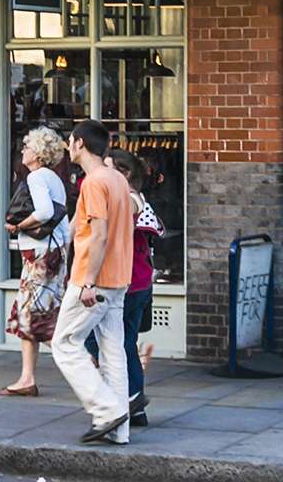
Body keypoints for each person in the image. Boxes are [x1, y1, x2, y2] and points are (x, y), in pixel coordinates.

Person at [49, 120, 136, 445]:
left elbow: (98, 235)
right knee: (113, 351)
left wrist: (87, 282)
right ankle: (119, 430)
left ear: (80, 144)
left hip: (94, 279)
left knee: (64, 344)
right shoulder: (117, 179)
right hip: (119, 277)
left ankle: (106, 410)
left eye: (70, 141)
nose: (67, 146)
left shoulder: (94, 182)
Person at [0, 126, 70, 396]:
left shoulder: (37, 177)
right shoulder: (52, 178)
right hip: (51, 252)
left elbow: (44, 212)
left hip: (41, 255)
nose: (23, 150)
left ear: (38, 153)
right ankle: (26, 378)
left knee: (34, 317)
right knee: (30, 315)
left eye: (27, 147)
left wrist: (18, 226)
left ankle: (88, 363)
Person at [109, 148, 162, 431]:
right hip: (140, 281)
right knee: (127, 343)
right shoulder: (137, 198)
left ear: (123, 174)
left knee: (94, 341)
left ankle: (125, 400)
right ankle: (135, 404)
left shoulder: (127, 200)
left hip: (126, 282)